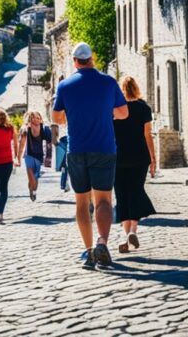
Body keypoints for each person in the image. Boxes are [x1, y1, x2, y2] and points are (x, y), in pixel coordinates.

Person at [52, 42, 129, 269]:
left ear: (75, 61)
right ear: (92, 58)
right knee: (104, 200)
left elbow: (56, 117)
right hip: (104, 147)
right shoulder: (108, 82)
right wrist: (106, 112)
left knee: (82, 202)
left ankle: (88, 251)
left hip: (77, 150)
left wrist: (70, 114)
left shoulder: (65, 86)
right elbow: (124, 113)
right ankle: (102, 242)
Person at [112, 75, 157, 253]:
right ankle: (132, 231)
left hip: (118, 157)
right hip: (140, 157)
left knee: (122, 195)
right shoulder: (143, 108)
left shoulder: (115, 109)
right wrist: (153, 159)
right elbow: (148, 135)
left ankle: (126, 235)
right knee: (136, 191)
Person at [18, 111, 52, 201]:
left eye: (38, 117)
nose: (36, 119)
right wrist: (18, 157)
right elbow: (21, 143)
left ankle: (32, 190)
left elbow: (50, 140)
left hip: (39, 156)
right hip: (28, 155)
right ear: (30, 118)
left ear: (40, 119)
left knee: (35, 179)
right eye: (33, 117)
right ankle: (32, 191)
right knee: (31, 175)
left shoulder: (44, 129)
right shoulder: (26, 128)